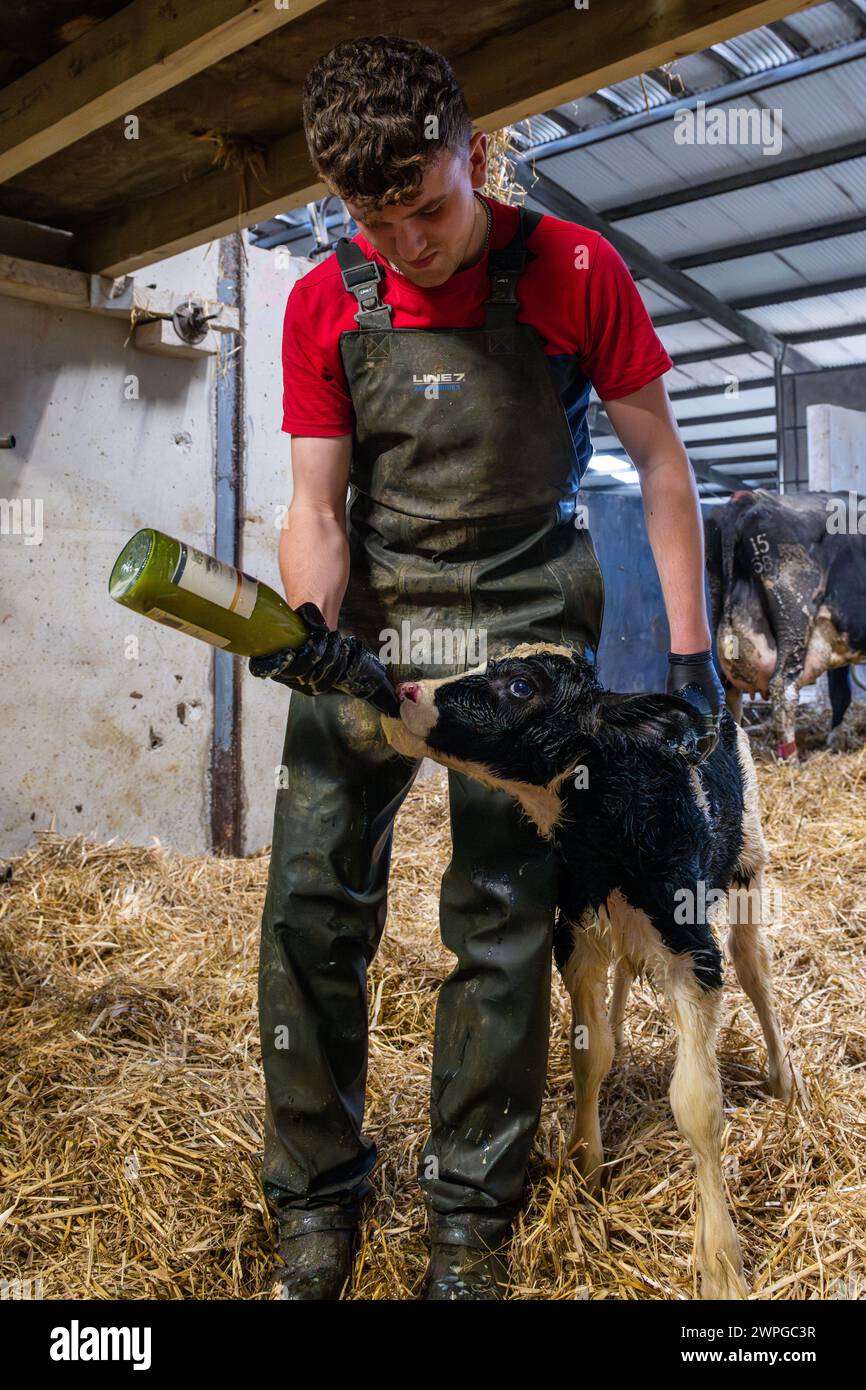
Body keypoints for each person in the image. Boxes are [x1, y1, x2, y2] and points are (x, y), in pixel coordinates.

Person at [249, 34, 725, 1300]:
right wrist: (313, 628)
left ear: (473, 149)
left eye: (427, 207)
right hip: (378, 626)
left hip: (523, 637)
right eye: (373, 218)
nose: (406, 244)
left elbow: (662, 466)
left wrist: (690, 652)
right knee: (308, 906)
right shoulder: (319, 301)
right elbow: (314, 503)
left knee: (504, 920)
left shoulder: (576, 268)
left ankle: (469, 1211)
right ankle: (314, 1196)